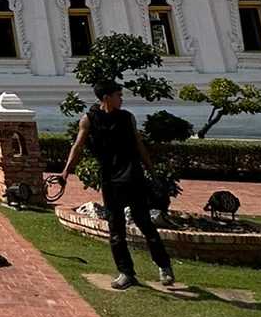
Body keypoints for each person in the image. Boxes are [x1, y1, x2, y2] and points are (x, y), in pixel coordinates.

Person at [60, 81, 177, 290]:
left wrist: (151, 171)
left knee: (144, 223)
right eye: (118, 95)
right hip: (110, 177)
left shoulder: (126, 118)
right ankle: (126, 272)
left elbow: (139, 144)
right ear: (106, 97)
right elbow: (77, 146)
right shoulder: (89, 119)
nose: (121, 99)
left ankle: (164, 265)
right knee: (116, 228)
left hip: (132, 174)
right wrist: (66, 172)